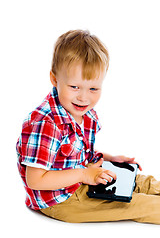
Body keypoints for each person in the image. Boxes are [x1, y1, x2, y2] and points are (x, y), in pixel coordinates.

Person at [16, 30, 160, 224]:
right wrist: (85, 174)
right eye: (74, 87)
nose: (84, 97)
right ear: (55, 79)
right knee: (139, 205)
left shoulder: (83, 111)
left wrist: (109, 158)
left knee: (143, 182)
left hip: (83, 177)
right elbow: (36, 180)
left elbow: (76, 153)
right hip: (61, 200)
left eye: (93, 89)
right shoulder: (45, 124)